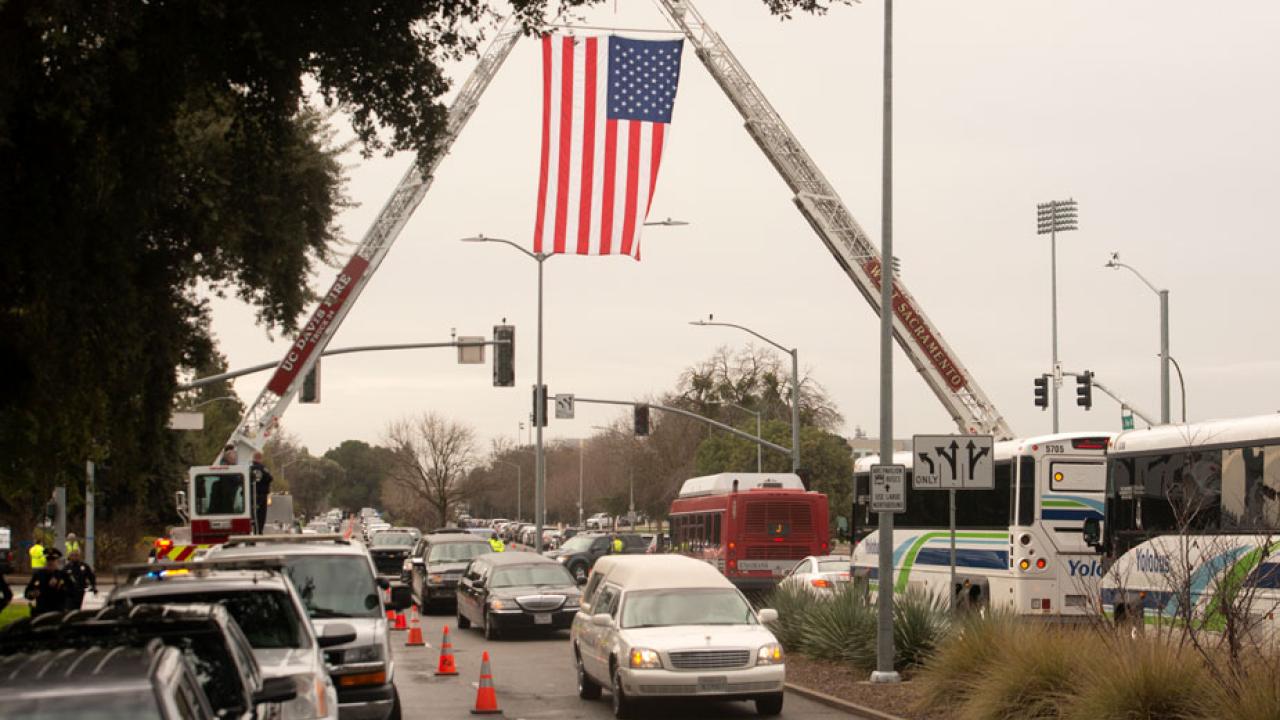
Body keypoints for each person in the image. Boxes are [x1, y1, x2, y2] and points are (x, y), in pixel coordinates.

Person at [24, 548, 72, 616]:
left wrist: (59, 586)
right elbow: (27, 593)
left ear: (57, 561)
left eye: (53, 560)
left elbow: (72, 592)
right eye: (48, 560)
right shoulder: (38, 575)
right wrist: (32, 594)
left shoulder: (63, 575)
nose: (50, 562)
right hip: (41, 611)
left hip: (58, 612)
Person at [250, 452, 273, 533]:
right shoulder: (263, 469)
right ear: (260, 459)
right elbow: (270, 478)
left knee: (252, 513)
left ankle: (252, 529)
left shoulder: (249, 468)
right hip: (261, 495)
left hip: (250, 496)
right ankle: (259, 530)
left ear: (253, 458)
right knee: (261, 514)